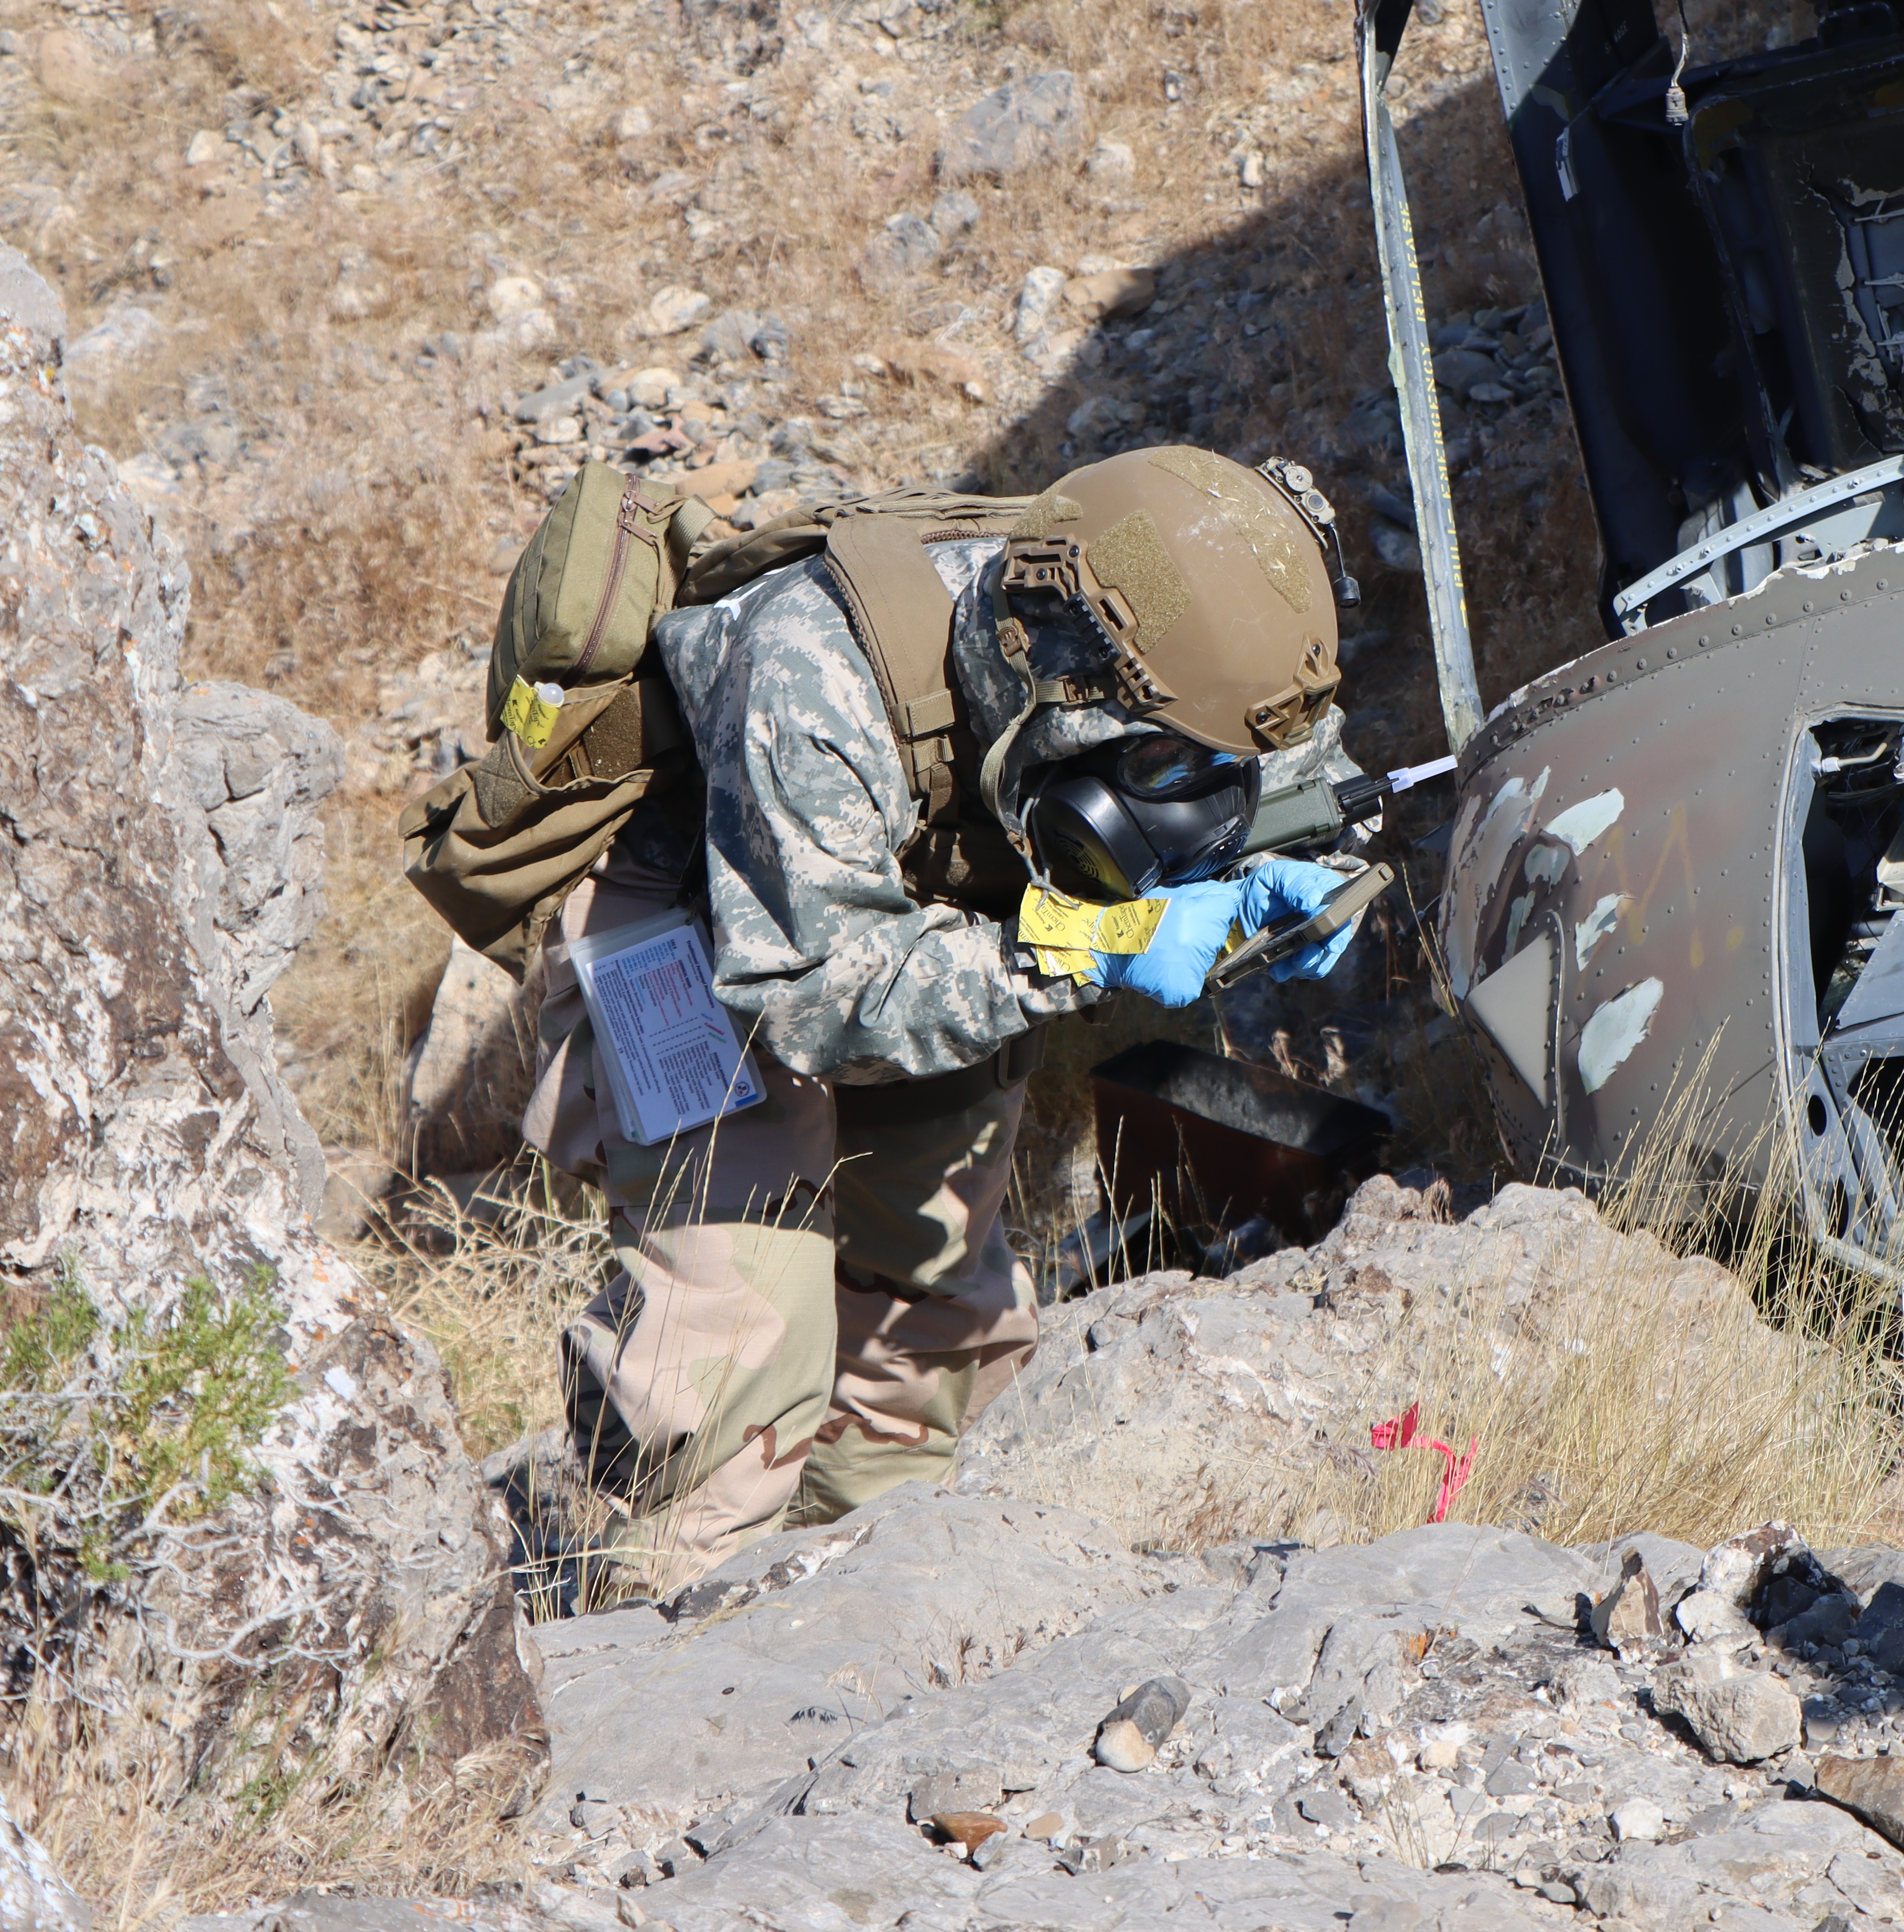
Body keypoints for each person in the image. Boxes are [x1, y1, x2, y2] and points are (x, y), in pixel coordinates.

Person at [517, 446, 1366, 1593]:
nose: (1194, 788)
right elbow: (812, 998)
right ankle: (668, 1663)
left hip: (930, 900)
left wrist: (1316, 862)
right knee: (729, 1359)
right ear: (1061, 692)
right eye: (1162, 765)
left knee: (930, 1322)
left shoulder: (1180, 650)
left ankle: (857, 1626)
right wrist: (1091, 942)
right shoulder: (810, 673)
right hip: (696, 914)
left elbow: (1299, 761)